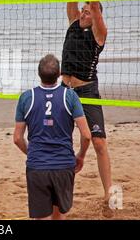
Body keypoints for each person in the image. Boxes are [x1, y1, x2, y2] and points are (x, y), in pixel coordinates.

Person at [61, 0, 112, 203]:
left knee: (99, 142)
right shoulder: (73, 23)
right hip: (64, 92)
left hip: (87, 91)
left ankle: (108, 194)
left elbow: (93, 1)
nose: (84, 10)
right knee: (60, 143)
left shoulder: (99, 33)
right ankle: (61, 190)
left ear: (97, 15)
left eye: (89, 9)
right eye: (83, 7)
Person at [14, 54, 91, 220]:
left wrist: (32, 152)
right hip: (64, 165)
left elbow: (17, 138)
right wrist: (81, 156)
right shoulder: (70, 96)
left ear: (38, 73)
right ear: (59, 74)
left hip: (37, 167)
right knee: (59, 215)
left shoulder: (26, 98)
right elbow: (86, 135)